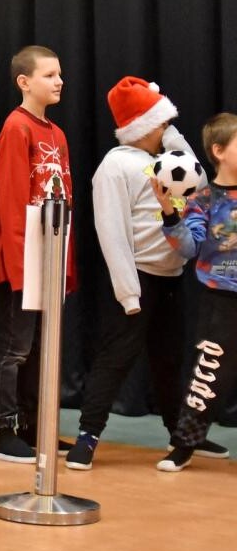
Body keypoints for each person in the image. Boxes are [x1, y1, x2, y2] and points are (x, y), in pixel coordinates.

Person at [68, 78, 227, 469]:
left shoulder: (168, 160)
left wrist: (175, 138)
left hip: (170, 278)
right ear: (143, 125)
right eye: (161, 122)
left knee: (170, 359)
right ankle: (87, 437)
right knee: (115, 358)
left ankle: (182, 436)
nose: (166, 128)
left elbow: (201, 185)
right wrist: (127, 291)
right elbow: (111, 230)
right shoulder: (115, 165)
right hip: (134, 280)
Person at [0, 45, 75, 463]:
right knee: (14, 347)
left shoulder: (56, 134)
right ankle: (3, 428)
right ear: (24, 82)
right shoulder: (16, 129)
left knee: (41, 349)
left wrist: (64, 262)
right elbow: (11, 202)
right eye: (49, 75)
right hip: (25, 262)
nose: (59, 81)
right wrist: (21, 266)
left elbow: (63, 201)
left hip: (50, 257)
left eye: (59, 74)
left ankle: (35, 426)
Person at [153, 112, 237, 472]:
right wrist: (169, 215)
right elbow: (188, 247)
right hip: (220, 299)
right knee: (209, 374)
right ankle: (184, 445)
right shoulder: (204, 199)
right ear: (218, 150)